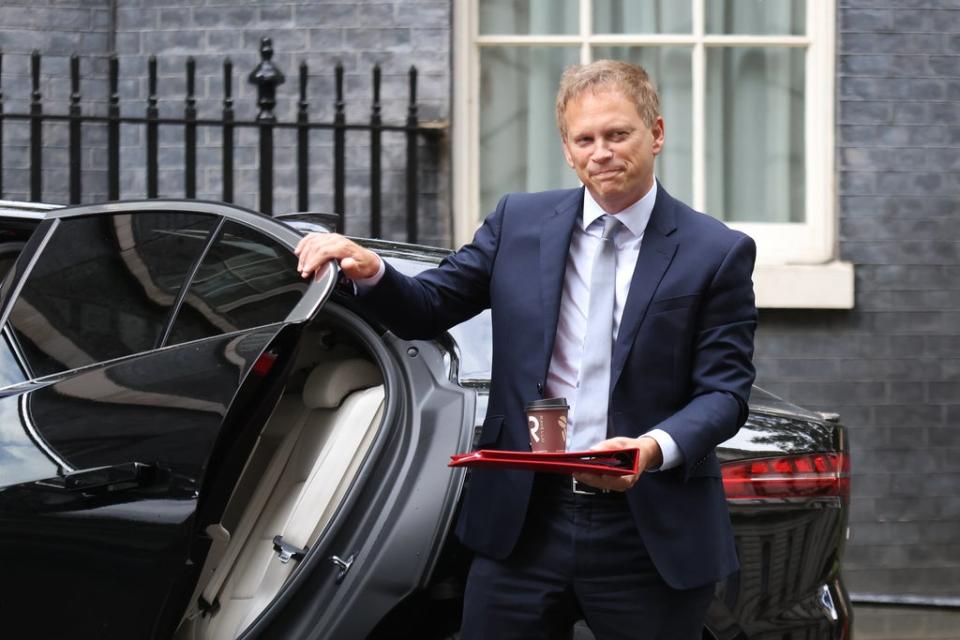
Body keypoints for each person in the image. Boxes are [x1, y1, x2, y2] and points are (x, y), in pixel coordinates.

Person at [295, 60, 757, 640]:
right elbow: (429, 306)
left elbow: (724, 393)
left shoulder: (715, 251)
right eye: (584, 139)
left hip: (647, 531)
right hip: (523, 523)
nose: (602, 152)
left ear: (656, 133)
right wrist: (371, 270)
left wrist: (649, 449)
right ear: (567, 149)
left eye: (618, 134)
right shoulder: (519, 221)